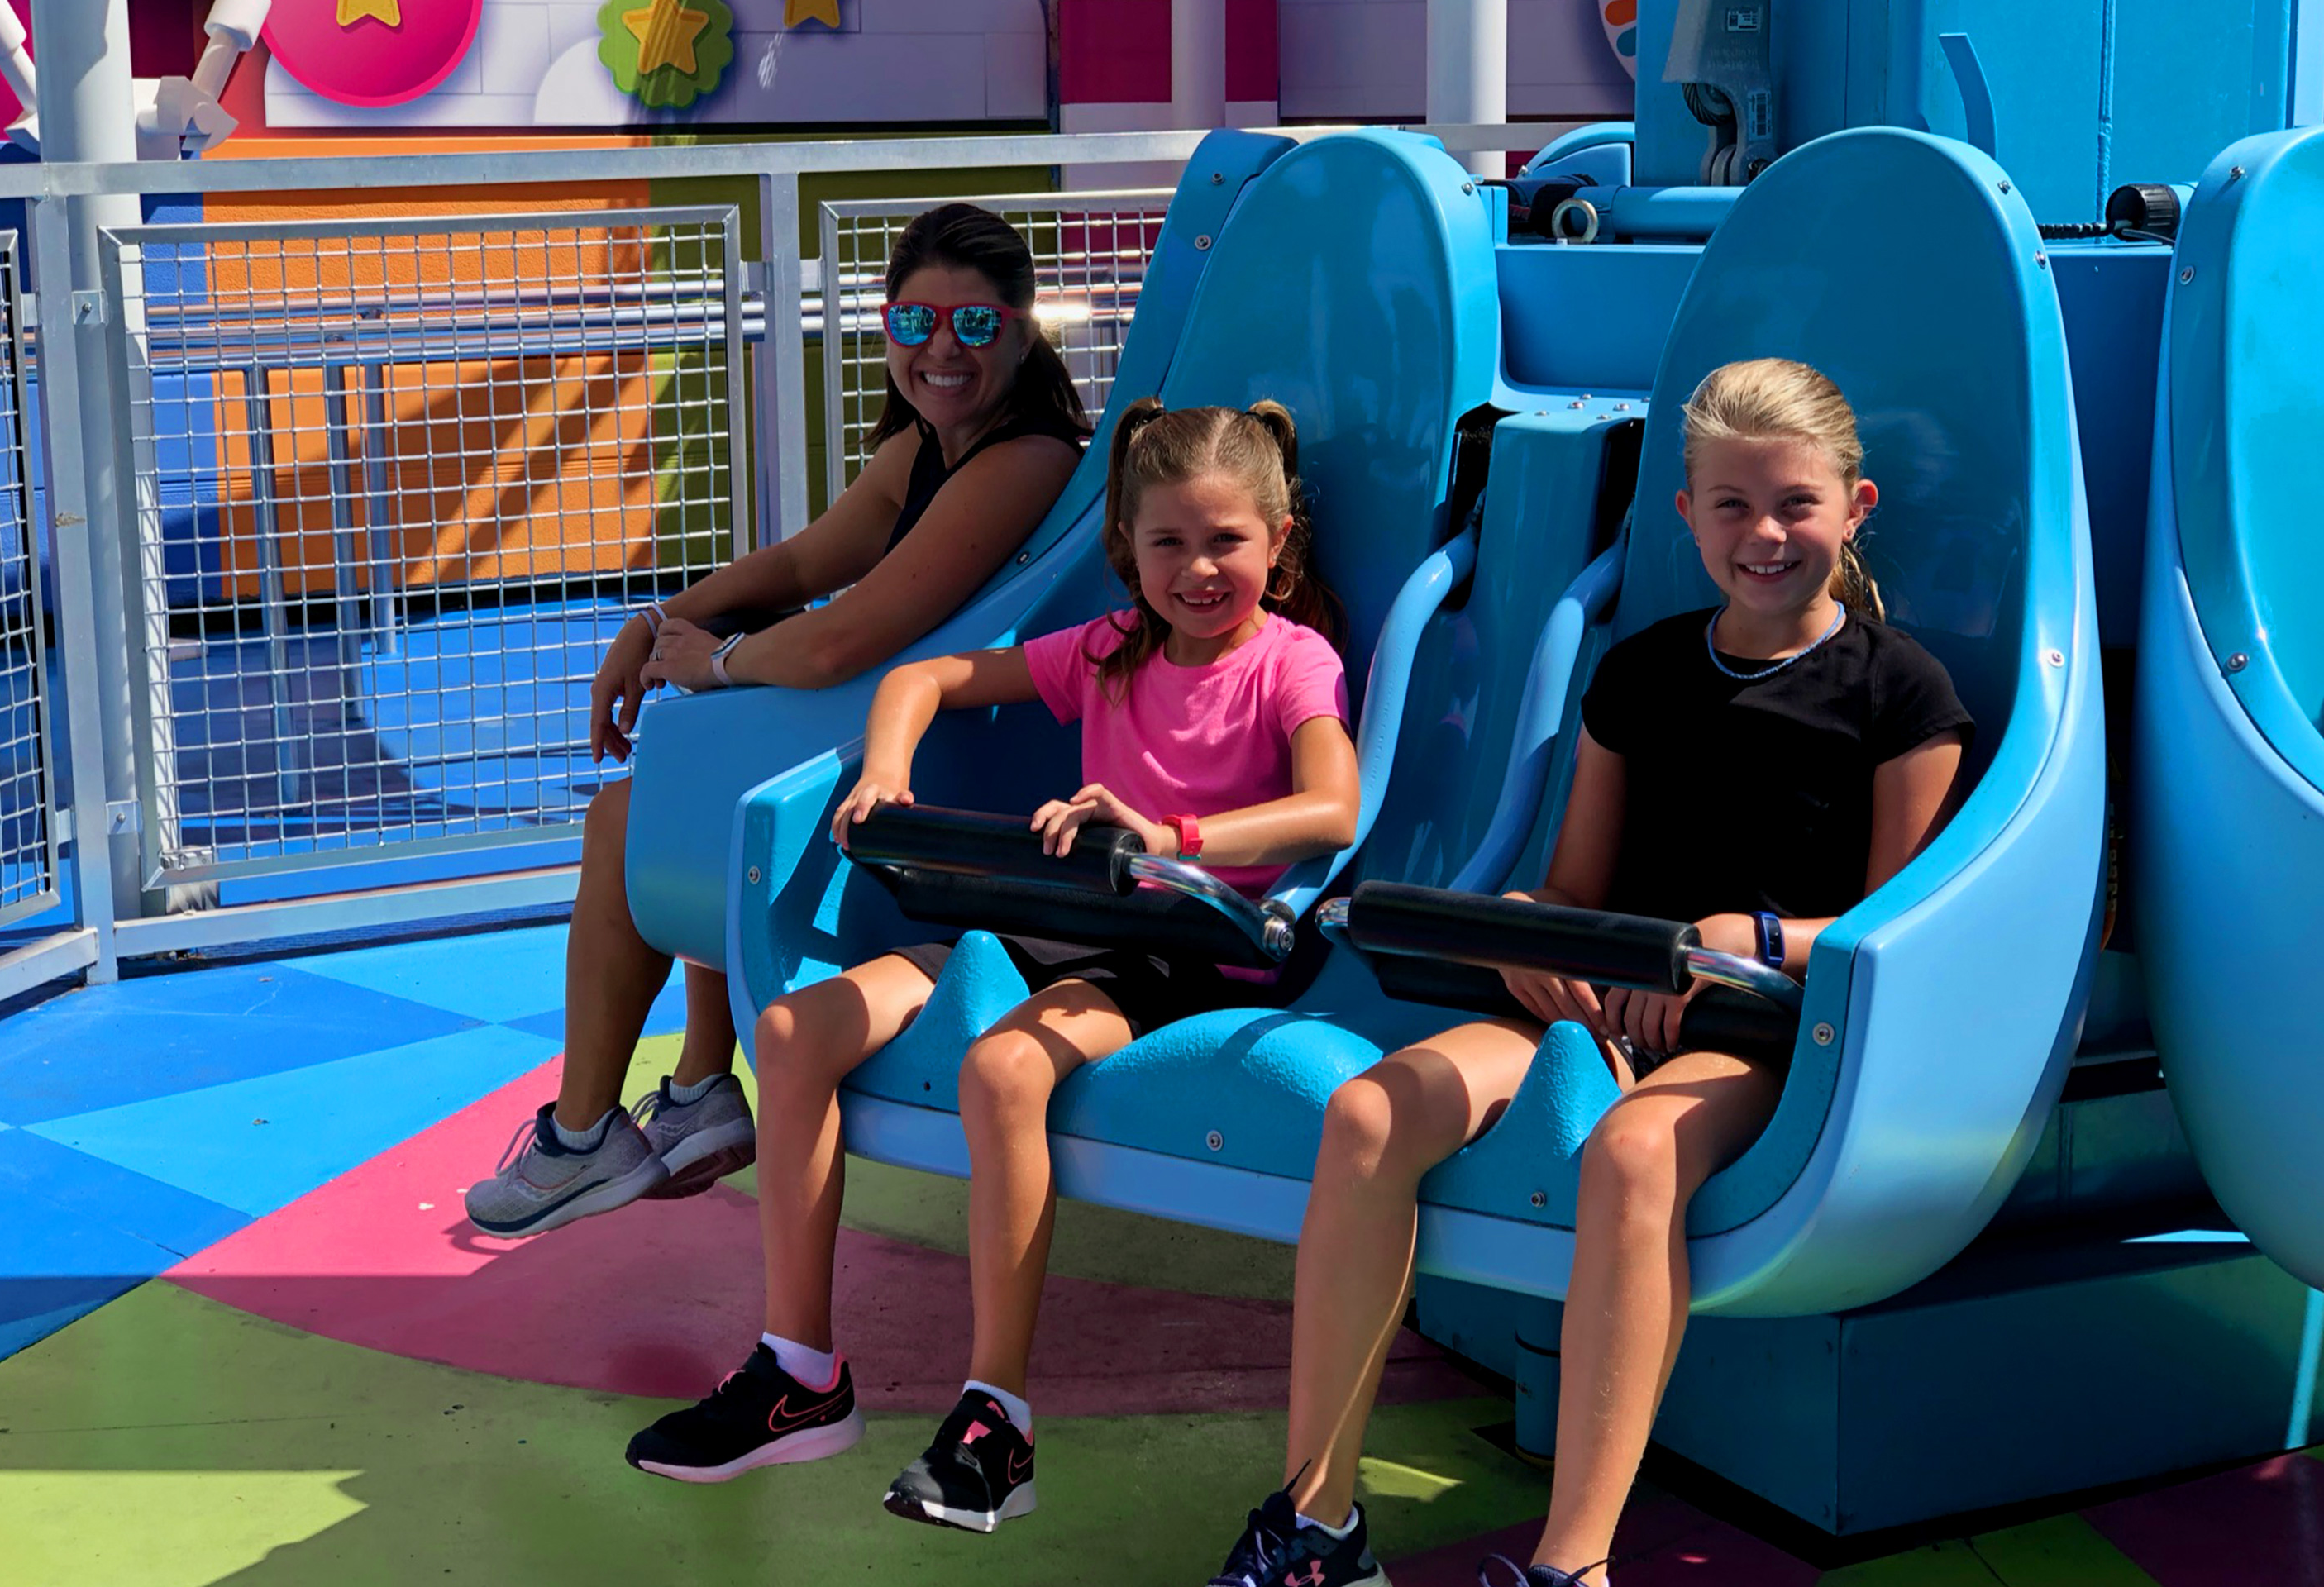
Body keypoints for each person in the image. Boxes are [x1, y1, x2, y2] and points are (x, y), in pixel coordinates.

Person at [1206, 359, 1974, 1587]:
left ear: (1855, 506)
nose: (1764, 535)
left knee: (1633, 1152)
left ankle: (1575, 1567)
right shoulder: (1642, 673)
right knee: (1369, 1111)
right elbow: (1572, 889)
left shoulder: (1903, 691)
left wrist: (1744, 939)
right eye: (1731, 505)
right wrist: (1530, 934)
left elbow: (1898, 929)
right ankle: (1320, 1524)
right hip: (1606, 1003)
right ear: (1685, 515)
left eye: (1795, 504)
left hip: (1763, 1030)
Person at [621, 398, 1364, 1535]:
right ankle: (799, 1373)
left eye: (1226, 541)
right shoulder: (1112, 648)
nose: (1198, 569)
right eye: (1168, 542)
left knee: (1004, 1069)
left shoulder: (1291, 662)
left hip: (1184, 944)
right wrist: (886, 771)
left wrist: (1170, 837)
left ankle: (996, 1422)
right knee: (793, 1032)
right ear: (1128, 547)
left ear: (1279, 539)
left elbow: (1333, 807)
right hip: (1056, 915)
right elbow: (922, 681)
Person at [465, 203, 1089, 1238]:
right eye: (916, 322)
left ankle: (584, 1136)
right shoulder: (925, 448)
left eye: (975, 325)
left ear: (1022, 335)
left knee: (638, 814)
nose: (942, 349)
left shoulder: (1026, 460)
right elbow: (801, 566)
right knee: (695, 774)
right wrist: (659, 621)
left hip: (963, 780)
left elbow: (842, 642)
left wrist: (712, 662)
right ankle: (699, 1085)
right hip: (910, 739)